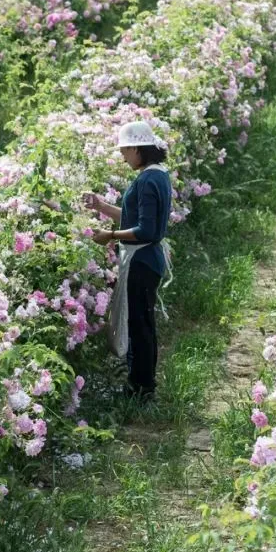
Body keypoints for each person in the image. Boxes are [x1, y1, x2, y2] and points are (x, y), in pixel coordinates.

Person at [83, 121, 172, 400]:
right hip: (147, 260)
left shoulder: (147, 180)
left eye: (124, 150)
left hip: (142, 262)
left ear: (136, 148)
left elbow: (146, 230)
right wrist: (101, 206)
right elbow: (135, 218)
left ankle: (141, 389)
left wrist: (109, 235)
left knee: (139, 325)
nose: (122, 156)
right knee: (142, 322)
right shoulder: (158, 175)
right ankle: (141, 384)